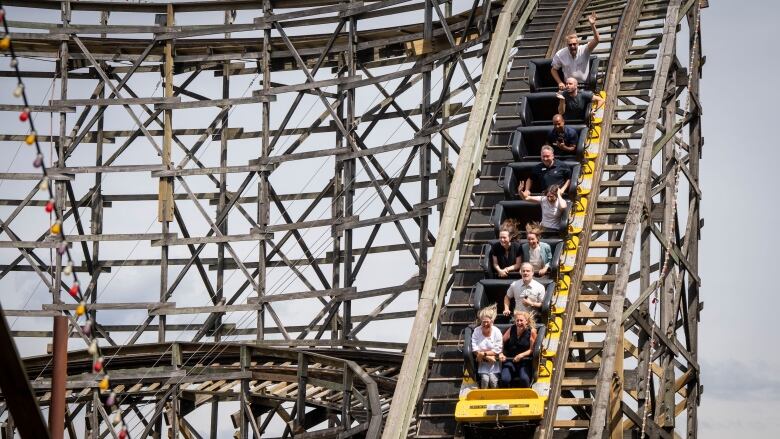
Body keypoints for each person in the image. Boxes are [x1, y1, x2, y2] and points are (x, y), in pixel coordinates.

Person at [551, 13, 600, 89]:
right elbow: (553, 70)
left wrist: (592, 25)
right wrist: (560, 82)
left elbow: (597, 40)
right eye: (570, 45)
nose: (572, 46)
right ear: (567, 45)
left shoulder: (584, 49)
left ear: (578, 43)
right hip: (569, 86)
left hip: (584, 86)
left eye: (574, 44)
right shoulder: (560, 54)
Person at [499, 311, 537, 388]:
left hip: (524, 361)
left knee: (524, 379)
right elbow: (501, 341)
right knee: (505, 379)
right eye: (517, 320)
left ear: (527, 321)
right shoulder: (512, 329)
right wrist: (501, 353)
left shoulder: (532, 331)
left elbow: (532, 349)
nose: (519, 323)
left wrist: (521, 355)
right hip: (510, 359)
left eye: (521, 320)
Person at [471, 304, 503, 389]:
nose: (485, 324)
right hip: (482, 362)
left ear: (491, 322)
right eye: (483, 322)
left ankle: (496, 399)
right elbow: (474, 348)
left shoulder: (497, 332)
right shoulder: (476, 331)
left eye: (487, 322)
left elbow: (497, 350)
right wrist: (487, 357)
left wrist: (483, 354)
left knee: (493, 380)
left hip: (494, 362)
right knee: (485, 379)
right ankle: (483, 398)